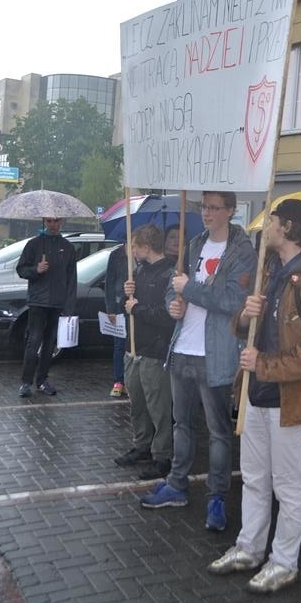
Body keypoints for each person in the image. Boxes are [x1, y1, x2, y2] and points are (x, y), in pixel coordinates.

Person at [208, 199, 301, 593]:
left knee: (289, 485)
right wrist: (245, 315)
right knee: (253, 478)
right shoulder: (270, 270)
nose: (266, 227)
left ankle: (284, 562)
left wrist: (262, 364)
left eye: (273, 221)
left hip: (291, 401)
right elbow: (243, 328)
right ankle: (249, 547)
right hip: (255, 394)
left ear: (290, 227)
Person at [139, 191, 257, 532]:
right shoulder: (193, 246)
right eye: (203, 207)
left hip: (215, 353)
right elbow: (173, 292)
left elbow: (235, 300)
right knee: (181, 424)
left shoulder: (242, 252)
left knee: (219, 431)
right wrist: (172, 305)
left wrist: (188, 291)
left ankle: (217, 496)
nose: (206, 213)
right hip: (182, 348)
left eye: (214, 208)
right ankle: (177, 484)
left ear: (231, 211)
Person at [114, 225, 175, 480]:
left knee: (159, 408)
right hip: (134, 349)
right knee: (137, 403)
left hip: (154, 351)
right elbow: (126, 307)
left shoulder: (169, 275)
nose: (132, 251)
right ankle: (142, 445)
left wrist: (136, 307)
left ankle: (162, 455)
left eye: (135, 246)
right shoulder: (137, 272)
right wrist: (126, 295)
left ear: (146, 247)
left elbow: (167, 315)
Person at [16, 217, 77, 397]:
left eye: (56, 221)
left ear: (62, 222)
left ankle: (42, 380)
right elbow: (21, 269)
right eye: (49, 221)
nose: (53, 225)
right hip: (37, 302)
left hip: (57, 303)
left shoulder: (68, 247)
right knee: (33, 341)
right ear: (44, 221)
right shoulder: (34, 244)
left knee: (50, 344)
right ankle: (26, 382)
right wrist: (36, 270)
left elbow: (71, 279)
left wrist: (69, 306)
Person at [105, 243, 129, 397]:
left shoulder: (143, 254)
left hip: (136, 305)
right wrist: (110, 309)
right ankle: (119, 381)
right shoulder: (116, 255)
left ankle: (131, 381)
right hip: (119, 305)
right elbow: (109, 283)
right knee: (119, 345)